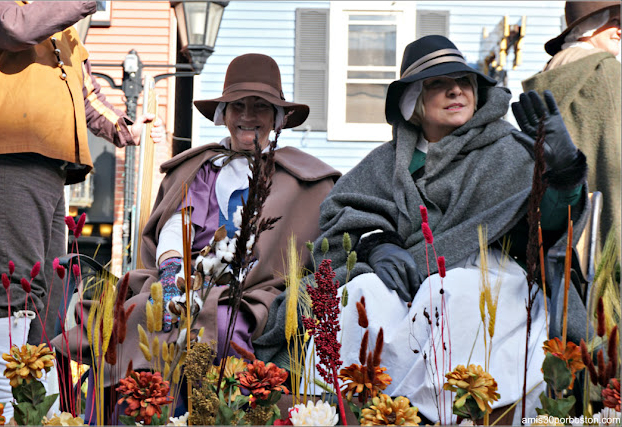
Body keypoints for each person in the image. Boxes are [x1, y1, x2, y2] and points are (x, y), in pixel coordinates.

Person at [261, 35, 589, 424]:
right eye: (437, 83)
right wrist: (377, 243)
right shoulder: (384, 163)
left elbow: (547, 230)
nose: (456, 89)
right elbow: (342, 219)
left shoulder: (509, 151)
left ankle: (437, 415)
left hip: (487, 277)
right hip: (404, 281)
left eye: (464, 81)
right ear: (412, 102)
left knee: (451, 292)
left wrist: (563, 177)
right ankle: (351, 411)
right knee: (360, 295)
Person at [51, 53, 341, 422]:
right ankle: (134, 416)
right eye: (238, 106)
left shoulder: (304, 179)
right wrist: (172, 268)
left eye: (260, 107)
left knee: (222, 327)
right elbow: (177, 221)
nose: (248, 116)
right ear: (224, 113)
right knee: (136, 317)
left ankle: (219, 416)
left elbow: (311, 248)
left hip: (253, 291)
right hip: (181, 280)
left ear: (277, 118)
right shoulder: (201, 167)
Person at [0, 1, 166, 417]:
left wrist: (123, 128)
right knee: (10, 287)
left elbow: (86, 94)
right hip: (11, 154)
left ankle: (37, 409)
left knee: (45, 292)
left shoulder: (65, 30)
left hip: (50, 164)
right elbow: (13, 29)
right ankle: (2, 408)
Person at [523, 1, 620, 245]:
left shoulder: (554, 67)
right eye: (615, 22)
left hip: (561, 218)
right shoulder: (605, 70)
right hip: (606, 210)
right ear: (590, 25)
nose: (620, 31)